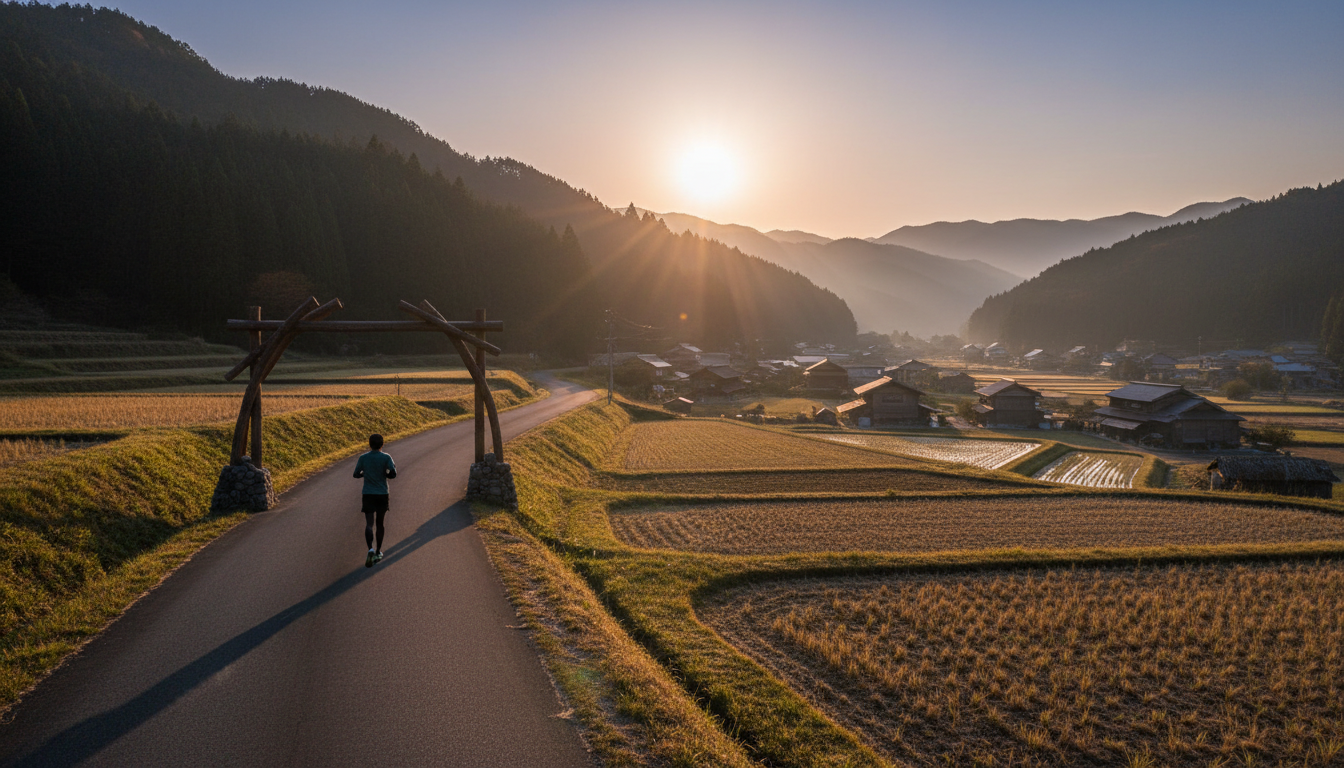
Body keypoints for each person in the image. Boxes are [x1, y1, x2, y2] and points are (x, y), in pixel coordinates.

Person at [353, 433, 397, 567]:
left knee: (369, 524)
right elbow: (393, 474)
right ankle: (378, 551)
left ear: (369, 444)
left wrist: (364, 473)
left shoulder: (363, 458)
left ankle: (370, 549)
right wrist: (385, 474)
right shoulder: (386, 457)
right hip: (382, 493)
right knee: (380, 524)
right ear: (382, 444)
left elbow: (355, 474)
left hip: (368, 493)